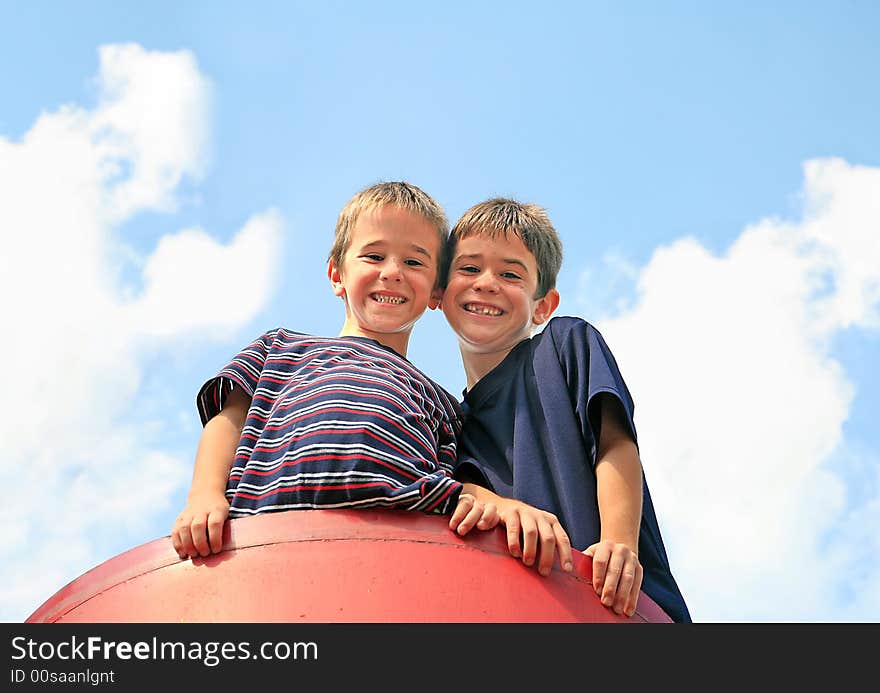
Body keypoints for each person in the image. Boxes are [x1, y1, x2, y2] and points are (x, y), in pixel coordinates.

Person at [170, 182, 574, 579]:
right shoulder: (282, 349)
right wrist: (205, 495)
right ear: (336, 274)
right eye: (374, 256)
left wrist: (502, 504)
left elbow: (453, 483)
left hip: (391, 558)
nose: (393, 273)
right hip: (267, 538)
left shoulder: (442, 402)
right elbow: (228, 421)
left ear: (436, 291)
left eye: (414, 263)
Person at [440, 197, 692, 622]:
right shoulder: (447, 420)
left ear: (543, 304)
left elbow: (614, 443)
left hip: (621, 602)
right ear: (439, 291)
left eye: (510, 274)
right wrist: (498, 504)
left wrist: (619, 544)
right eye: (469, 268)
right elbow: (451, 493)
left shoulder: (564, 343)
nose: (486, 282)